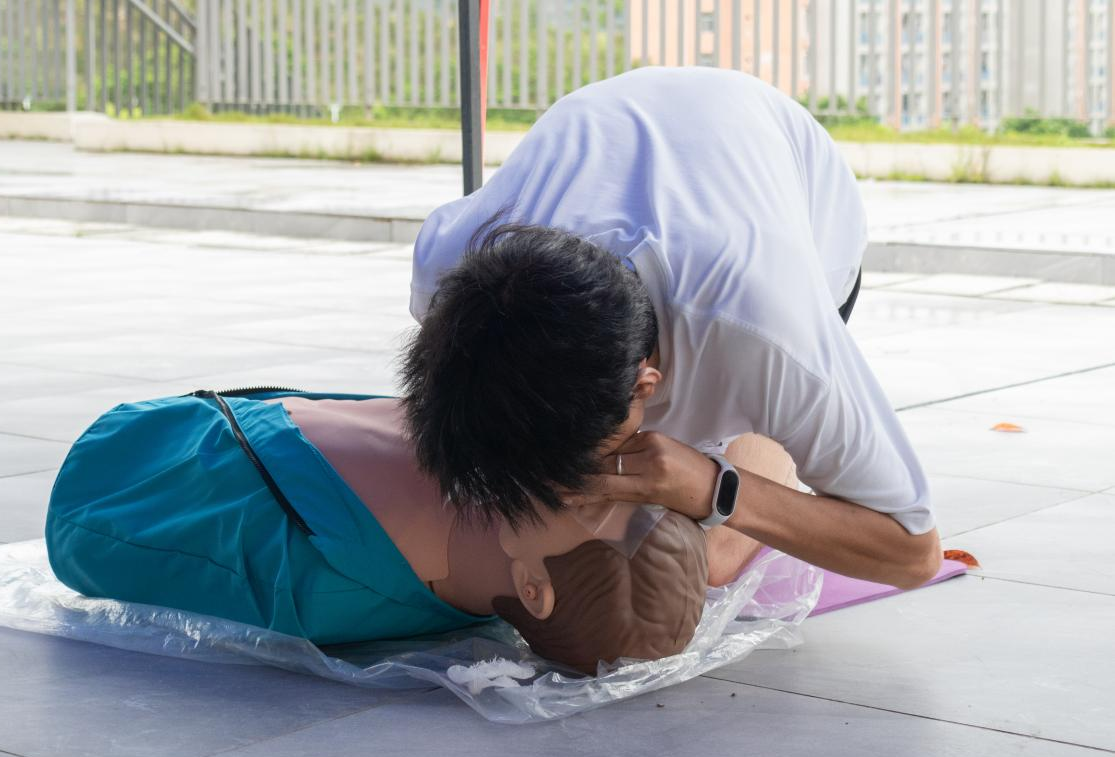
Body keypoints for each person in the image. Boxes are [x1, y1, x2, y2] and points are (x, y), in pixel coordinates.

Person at [401, 66, 941, 590]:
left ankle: (762, 446)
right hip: (616, 119)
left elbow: (914, 552)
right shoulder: (448, 272)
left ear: (646, 384)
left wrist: (713, 487)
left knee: (705, 561)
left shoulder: (767, 332)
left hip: (799, 190)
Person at [46, 392, 793, 674]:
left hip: (113, 469)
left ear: (533, 585)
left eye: (595, 502)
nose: (602, 470)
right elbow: (770, 447)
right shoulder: (506, 478)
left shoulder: (313, 580)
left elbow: (99, 518)